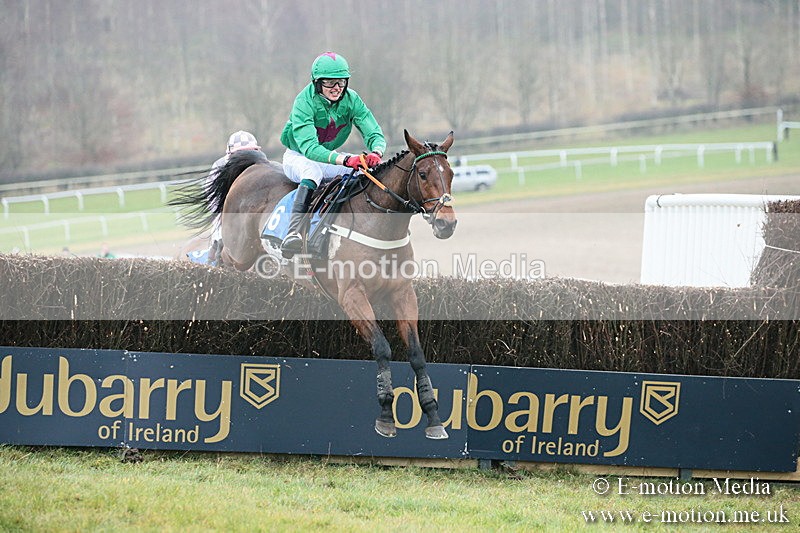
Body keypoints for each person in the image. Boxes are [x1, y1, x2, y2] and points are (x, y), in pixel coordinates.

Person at [279, 51, 387, 258]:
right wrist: (346, 159)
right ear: (317, 83)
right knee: (312, 171)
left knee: (363, 172)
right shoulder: (303, 101)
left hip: (328, 156)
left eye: (341, 82)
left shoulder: (352, 99)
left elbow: (373, 131)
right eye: (330, 82)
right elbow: (310, 149)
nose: (337, 88)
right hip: (298, 156)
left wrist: (376, 151)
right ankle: (292, 232)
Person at [207, 130, 262, 264]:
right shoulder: (219, 167)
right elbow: (212, 202)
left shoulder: (262, 167)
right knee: (220, 239)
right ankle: (213, 265)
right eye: (241, 154)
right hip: (226, 213)